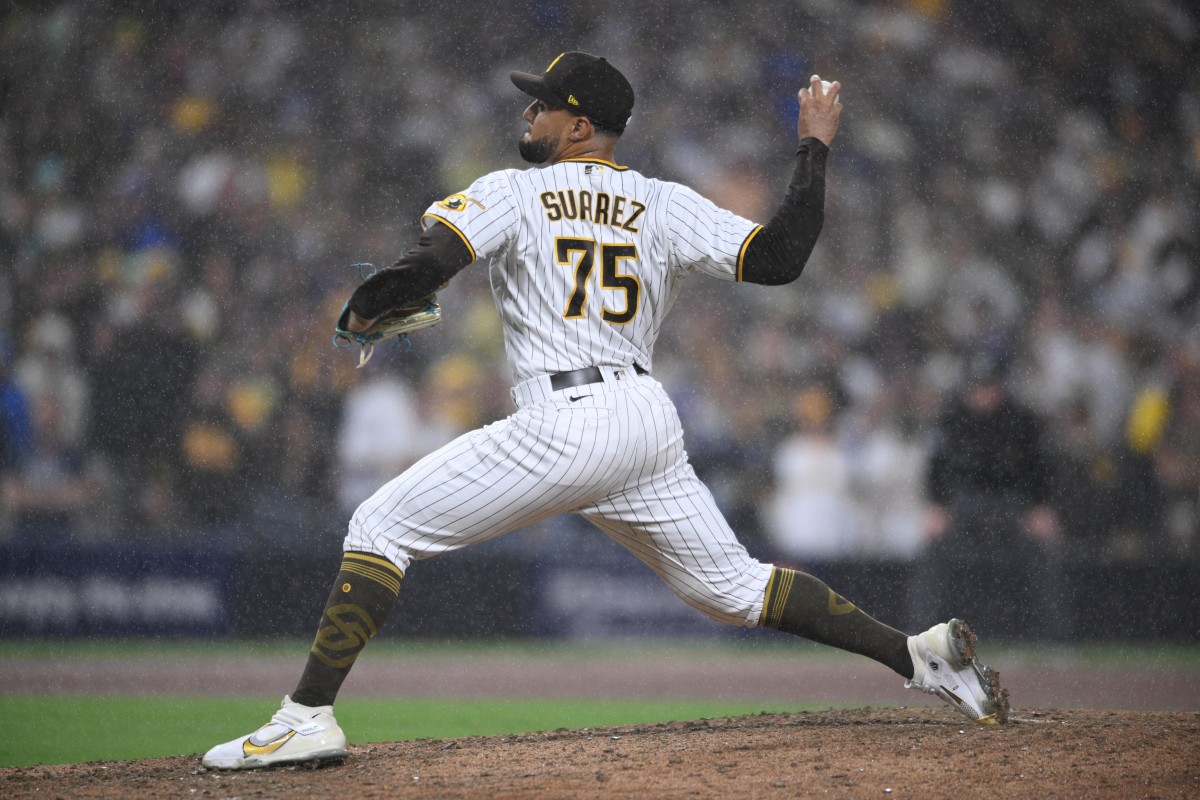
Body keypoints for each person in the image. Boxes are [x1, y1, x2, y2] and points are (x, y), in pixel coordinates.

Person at [202, 52, 1007, 770]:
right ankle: (917, 653)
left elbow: (431, 264)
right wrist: (814, 146)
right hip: (643, 420)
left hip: (566, 415)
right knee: (731, 588)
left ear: (580, 125)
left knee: (380, 528)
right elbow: (781, 258)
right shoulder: (661, 202)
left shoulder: (515, 190)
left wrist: (369, 306)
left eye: (543, 104)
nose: (529, 114)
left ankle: (305, 717)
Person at [912, 352, 1065, 639]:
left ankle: (1056, 637)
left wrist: (1040, 507)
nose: (983, 394)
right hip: (963, 504)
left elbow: (1041, 469)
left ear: (1001, 387)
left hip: (1013, 504)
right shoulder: (952, 420)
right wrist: (936, 507)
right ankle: (921, 633)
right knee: (933, 554)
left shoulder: (1023, 421)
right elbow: (936, 468)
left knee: (1044, 555)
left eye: (989, 386)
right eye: (977, 387)